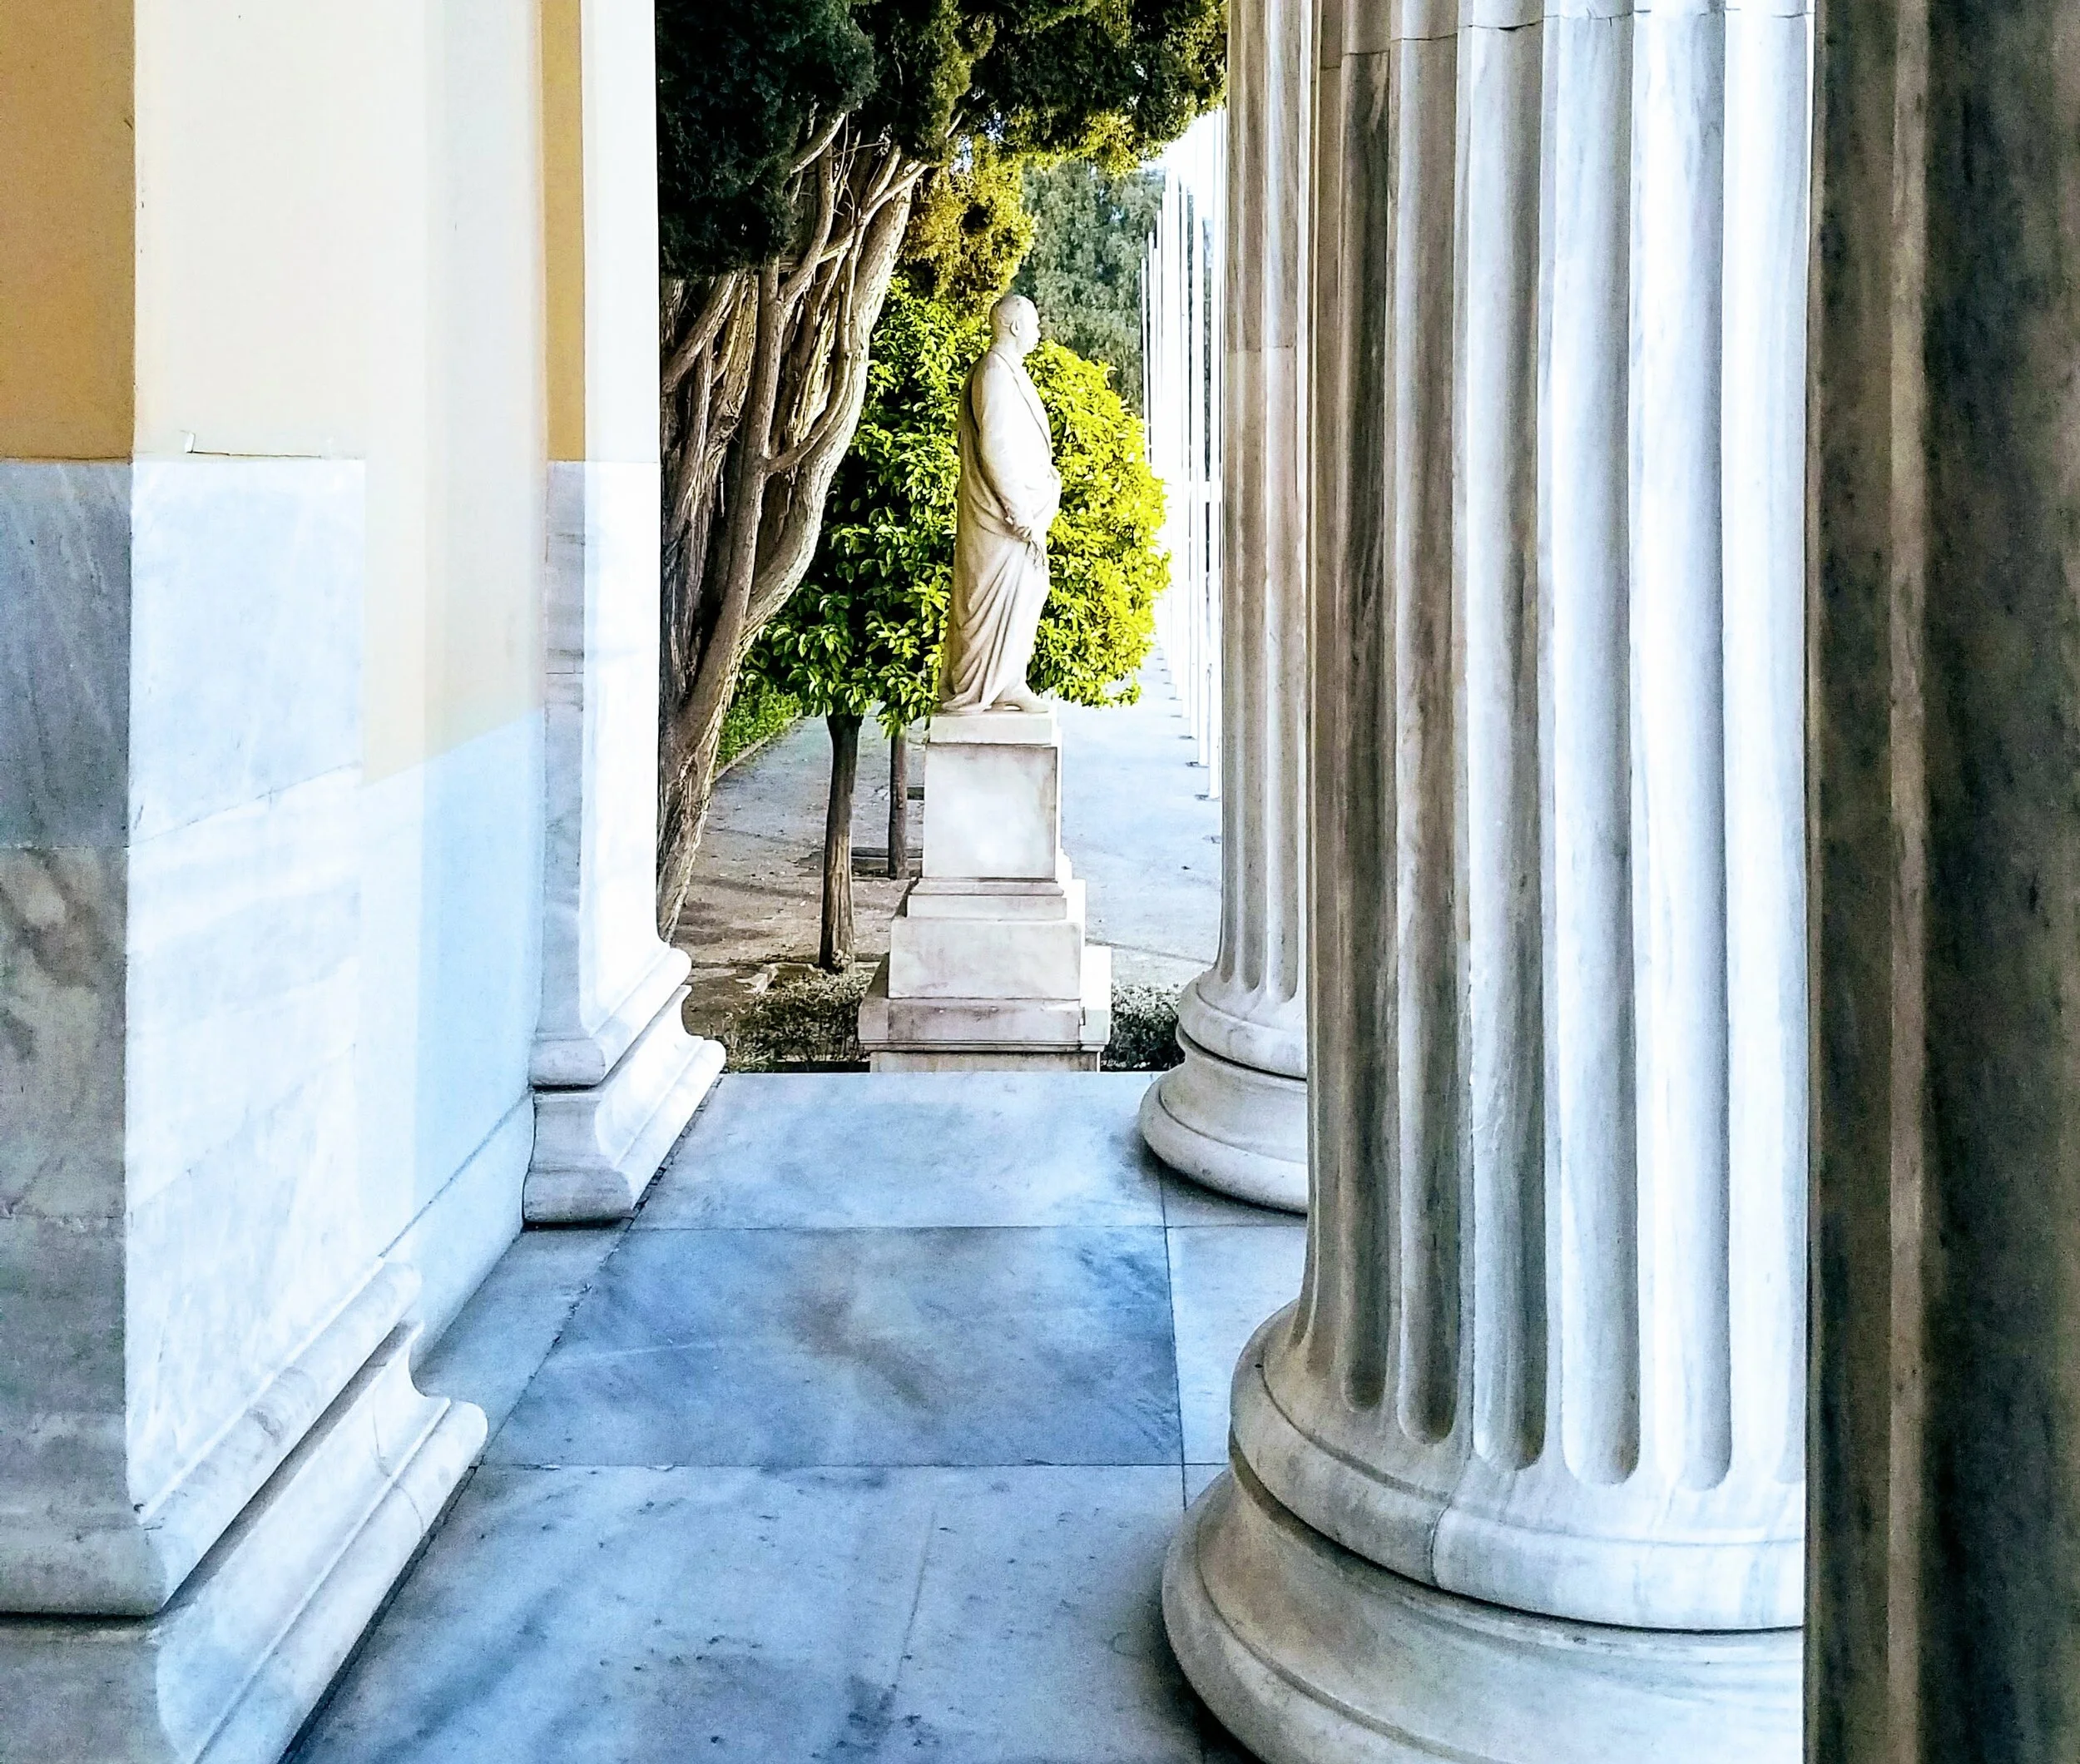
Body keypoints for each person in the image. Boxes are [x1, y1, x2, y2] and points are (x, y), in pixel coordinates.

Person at [938, 293, 1061, 714]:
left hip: (1016, 516)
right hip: (999, 519)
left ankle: (1008, 680)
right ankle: (979, 685)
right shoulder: (992, 372)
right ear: (1013, 326)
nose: (1039, 331)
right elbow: (995, 447)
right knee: (988, 603)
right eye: (1034, 323)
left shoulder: (1010, 372)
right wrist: (1020, 511)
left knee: (1027, 593)